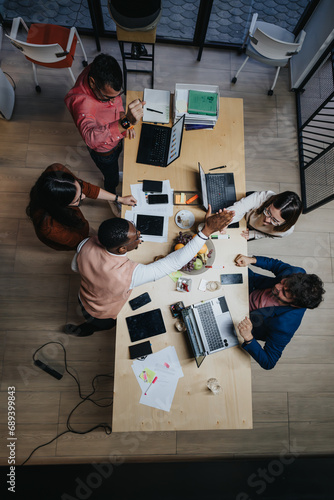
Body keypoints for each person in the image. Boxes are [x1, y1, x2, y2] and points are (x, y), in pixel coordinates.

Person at [64, 206, 234, 336]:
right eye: (136, 237)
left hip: (83, 297)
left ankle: (80, 327)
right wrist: (206, 232)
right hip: (102, 313)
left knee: (86, 316)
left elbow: (74, 267)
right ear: (122, 249)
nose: (139, 234)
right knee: (97, 325)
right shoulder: (130, 275)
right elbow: (174, 263)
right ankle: (83, 331)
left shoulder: (85, 244)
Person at [64, 53, 145, 211]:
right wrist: (125, 122)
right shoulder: (80, 101)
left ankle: (115, 174)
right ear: (93, 83)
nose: (114, 101)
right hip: (104, 150)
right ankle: (112, 194)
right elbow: (91, 138)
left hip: (116, 136)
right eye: (107, 98)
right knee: (110, 175)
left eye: (117, 95)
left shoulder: (99, 74)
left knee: (117, 160)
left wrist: (124, 119)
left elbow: (116, 103)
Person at [235, 254, 325, 370]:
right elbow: (275, 264)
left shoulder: (286, 325)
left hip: (241, 318)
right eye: (284, 282)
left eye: (284, 292)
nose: (277, 286)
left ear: (294, 304)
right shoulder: (296, 273)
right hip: (249, 286)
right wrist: (251, 260)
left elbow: (269, 362)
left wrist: (248, 337)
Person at [26, 163, 136, 251]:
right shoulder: (49, 228)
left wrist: (119, 199)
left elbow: (88, 189)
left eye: (79, 189)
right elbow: (80, 241)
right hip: (71, 238)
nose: (84, 196)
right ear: (62, 205)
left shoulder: (58, 172)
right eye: (77, 199)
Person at [226, 191, 302, 240]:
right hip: (246, 214)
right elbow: (240, 207)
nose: (266, 220)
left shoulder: (286, 231)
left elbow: (270, 235)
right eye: (268, 212)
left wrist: (255, 234)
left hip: (254, 229)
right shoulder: (264, 197)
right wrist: (225, 220)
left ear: (285, 223)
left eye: (275, 220)